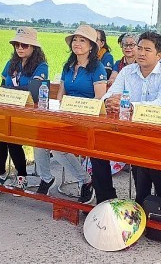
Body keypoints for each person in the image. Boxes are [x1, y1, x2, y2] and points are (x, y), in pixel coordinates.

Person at [102, 31, 161, 206]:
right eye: (140, 48)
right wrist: (109, 101)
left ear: (159, 55)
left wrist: (130, 105)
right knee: (99, 151)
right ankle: (104, 200)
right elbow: (111, 94)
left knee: (146, 159)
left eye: (147, 50)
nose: (141, 53)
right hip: (130, 131)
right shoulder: (127, 71)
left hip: (158, 132)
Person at [33, 25, 105, 204]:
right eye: (75, 40)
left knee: (58, 149)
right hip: (65, 117)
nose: (77, 43)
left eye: (82, 40)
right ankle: (46, 178)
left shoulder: (98, 69)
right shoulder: (68, 66)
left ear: (91, 46)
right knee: (39, 140)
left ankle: (86, 181)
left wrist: (80, 111)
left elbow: (100, 98)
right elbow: (60, 94)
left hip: (86, 122)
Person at [0, 27, 48, 196]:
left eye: (24, 45)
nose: (20, 48)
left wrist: (12, 90)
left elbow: (34, 89)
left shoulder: (41, 66)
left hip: (28, 111)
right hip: (8, 107)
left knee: (13, 139)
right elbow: (4, 85)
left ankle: (22, 176)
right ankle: (0, 175)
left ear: (34, 47)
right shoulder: (11, 63)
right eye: (17, 44)